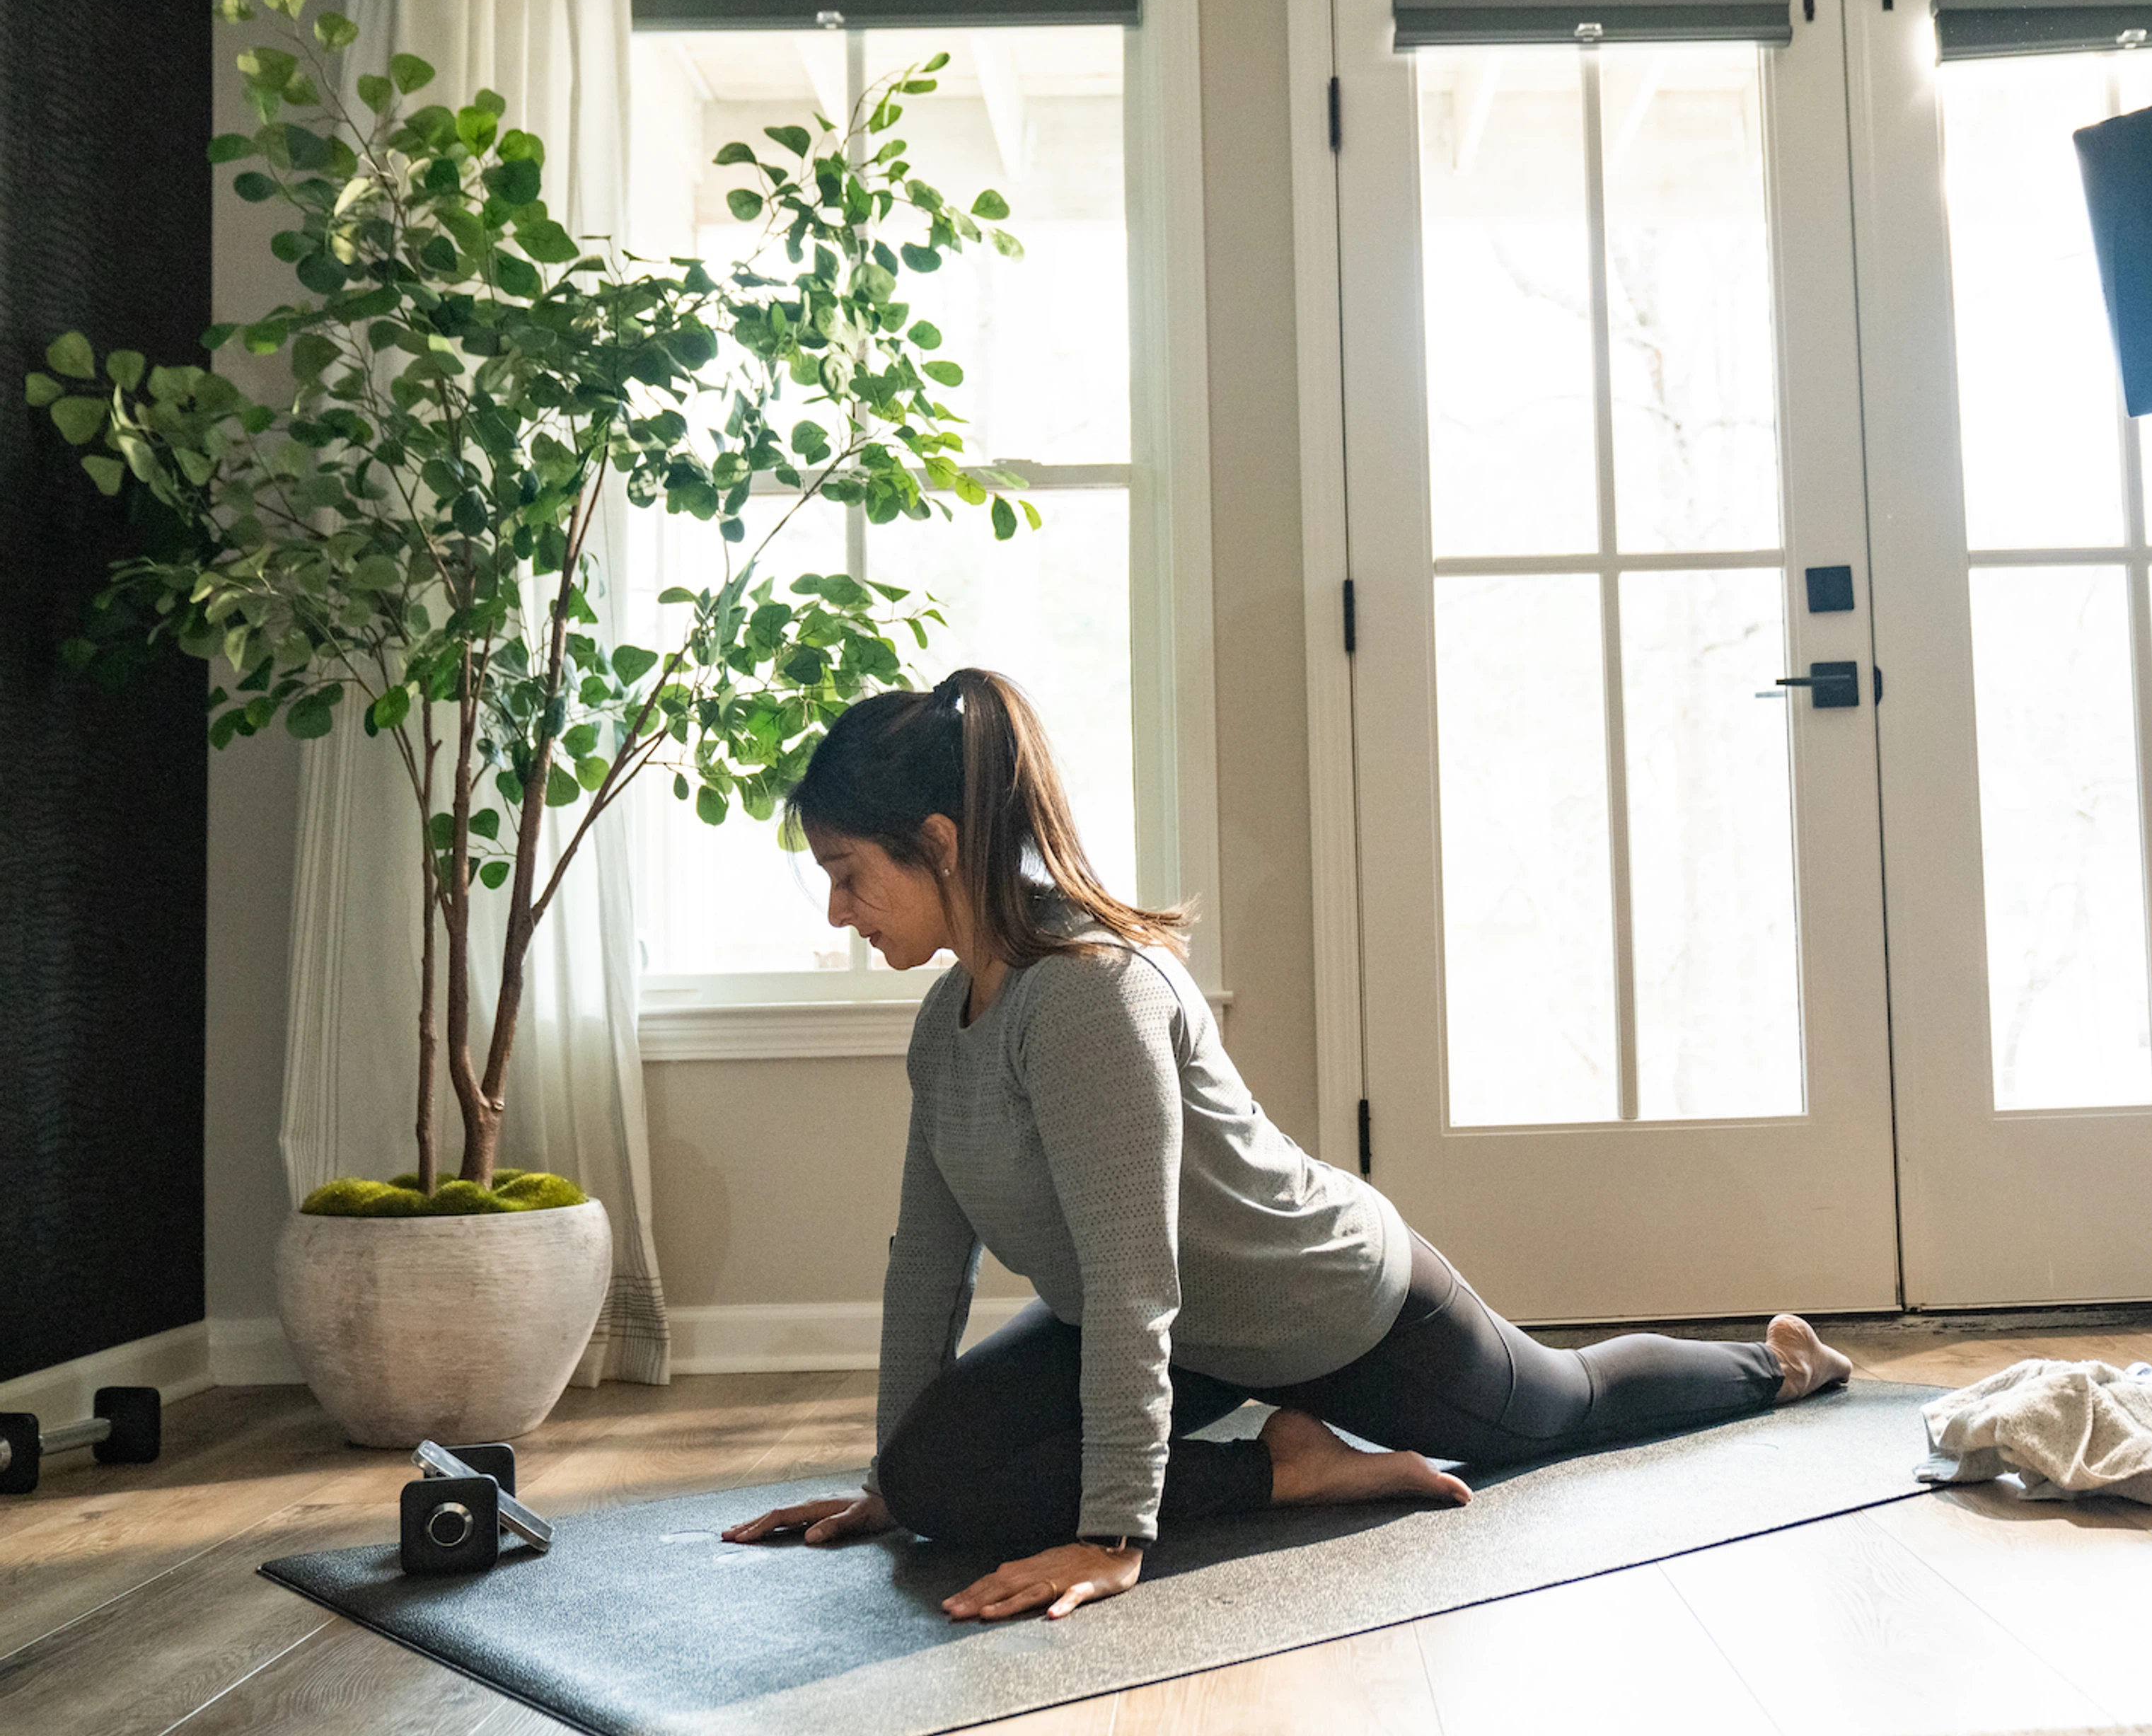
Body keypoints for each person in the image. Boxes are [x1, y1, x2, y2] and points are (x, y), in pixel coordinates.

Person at [722, 669, 1853, 1621]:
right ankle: (1292, 1466)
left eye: (845, 872)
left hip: (1323, 1303)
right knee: (937, 1476)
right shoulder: (947, 1024)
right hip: (1178, 1329)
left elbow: (1133, 1278)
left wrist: (1118, 1533)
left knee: (1561, 1411)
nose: (837, 911)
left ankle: (1783, 1363)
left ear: (939, 843)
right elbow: (927, 1263)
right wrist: (886, 1483)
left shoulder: (1086, 996)